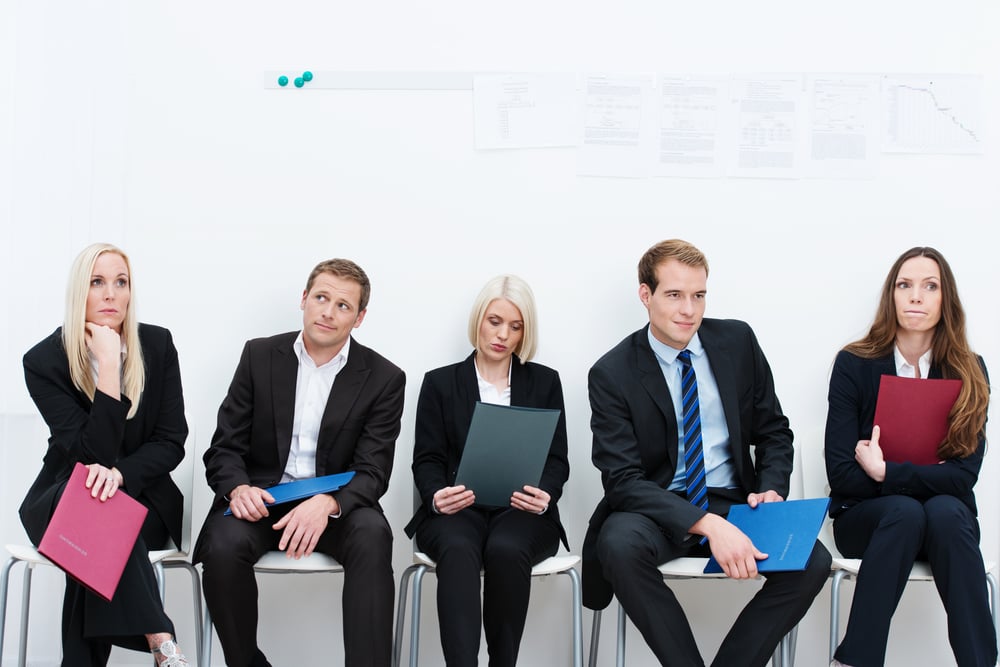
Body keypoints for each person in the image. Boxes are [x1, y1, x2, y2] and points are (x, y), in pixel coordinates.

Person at [582, 239, 832, 667]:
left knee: (812, 559)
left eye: (698, 295)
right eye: (674, 295)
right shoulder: (612, 373)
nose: (689, 310)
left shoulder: (737, 342)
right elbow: (623, 482)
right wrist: (707, 526)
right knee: (619, 545)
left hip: (733, 498)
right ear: (646, 295)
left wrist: (771, 489)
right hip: (657, 507)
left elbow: (774, 431)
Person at [194, 258, 405, 667]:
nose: (328, 311)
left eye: (343, 306)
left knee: (373, 535)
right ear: (304, 299)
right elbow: (224, 448)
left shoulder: (383, 377)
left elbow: (374, 470)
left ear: (359, 318)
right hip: (262, 500)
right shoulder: (258, 356)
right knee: (222, 544)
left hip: (336, 507)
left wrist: (327, 504)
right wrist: (239, 490)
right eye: (321, 298)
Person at [20, 243, 190, 666]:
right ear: (81, 291)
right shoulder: (44, 361)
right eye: (98, 283)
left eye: (121, 282)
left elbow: (172, 440)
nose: (111, 294)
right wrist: (109, 370)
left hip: (140, 500)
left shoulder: (157, 344)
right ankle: (161, 639)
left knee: (96, 525)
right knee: (93, 510)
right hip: (61, 497)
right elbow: (88, 453)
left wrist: (121, 476)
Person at [825, 246, 995, 667]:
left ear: (945, 300)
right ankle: (858, 661)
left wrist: (886, 470)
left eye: (929, 286)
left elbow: (963, 477)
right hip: (869, 519)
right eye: (905, 285)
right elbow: (843, 474)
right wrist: (921, 477)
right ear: (892, 296)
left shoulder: (969, 369)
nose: (915, 296)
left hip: (944, 523)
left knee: (944, 512)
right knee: (905, 511)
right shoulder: (854, 363)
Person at [403, 275, 569, 667]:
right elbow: (426, 458)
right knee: (459, 549)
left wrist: (545, 493)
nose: (503, 335)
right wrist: (435, 496)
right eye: (495, 321)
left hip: (522, 512)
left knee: (506, 549)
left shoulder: (544, 381)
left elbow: (557, 459)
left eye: (516, 326)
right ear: (479, 318)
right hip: (457, 509)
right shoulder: (440, 383)